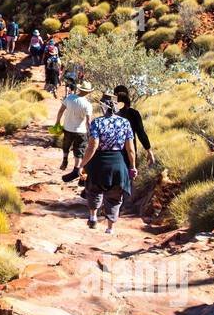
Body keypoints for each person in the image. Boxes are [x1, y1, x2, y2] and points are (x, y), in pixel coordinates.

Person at [75, 92, 137, 234]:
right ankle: (110, 228)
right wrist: (132, 166)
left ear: (103, 107)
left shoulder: (96, 122)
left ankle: (93, 217)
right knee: (115, 197)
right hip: (118, 164)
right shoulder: (125, 123)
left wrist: (82, 164)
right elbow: (130, 149)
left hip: (98, 163)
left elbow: (93, 146)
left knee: (93, 190)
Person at [55, 80, 93, 171]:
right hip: (81, 131)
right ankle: (76, 169)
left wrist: (57, 122)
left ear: (80, 89)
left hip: (67, 128)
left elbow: (60, 111)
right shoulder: (88, 105)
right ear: (88, 92)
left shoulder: (69, 98)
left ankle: (65, 160)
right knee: (79, 150)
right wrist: (90, 132)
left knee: (66, 145)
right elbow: (88, 121)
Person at [114, 85, 155, 167]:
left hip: (113, 154)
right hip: (130, 153)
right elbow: (141, 134)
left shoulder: (111, 114)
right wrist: (149, 151)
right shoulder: (133, 113)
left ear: (115, 96)